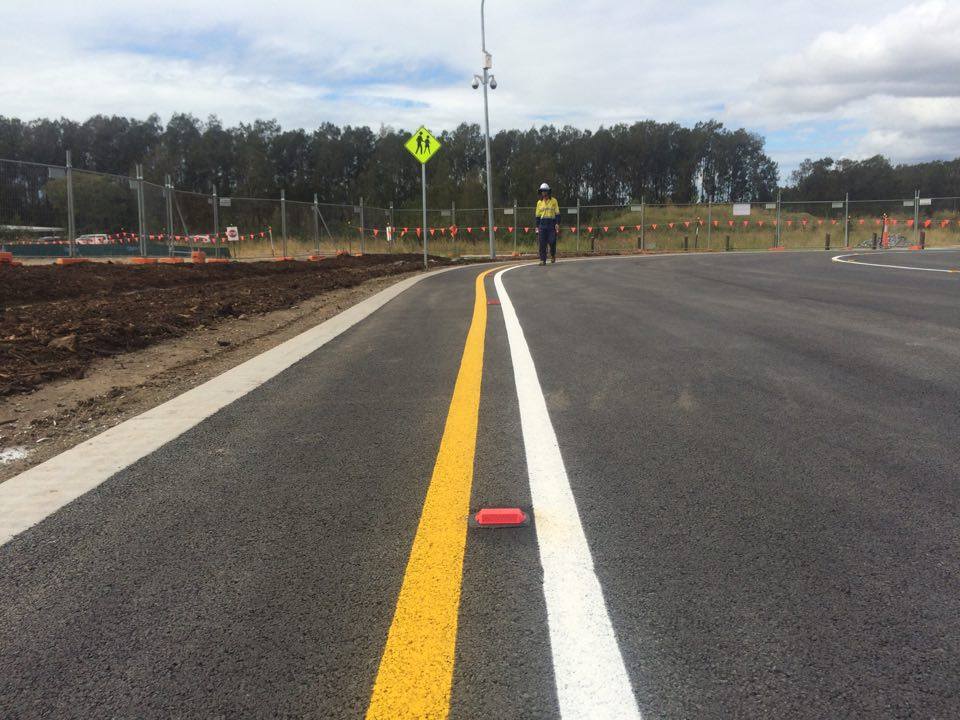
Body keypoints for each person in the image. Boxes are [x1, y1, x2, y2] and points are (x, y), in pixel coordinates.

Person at [535, 182, 560, 265]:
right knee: (542, 243)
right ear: (541, 192)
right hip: (542, 225)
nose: (544, 193)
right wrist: (537, 226)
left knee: (552, 241)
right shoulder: (539, 203)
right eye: (542, 191)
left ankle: (553, 255)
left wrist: (557, 223)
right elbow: (537, 216)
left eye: (545, 191)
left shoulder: (554, 201)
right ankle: (542, 260)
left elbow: (557, 213)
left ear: (548, 192)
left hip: (551, 224)